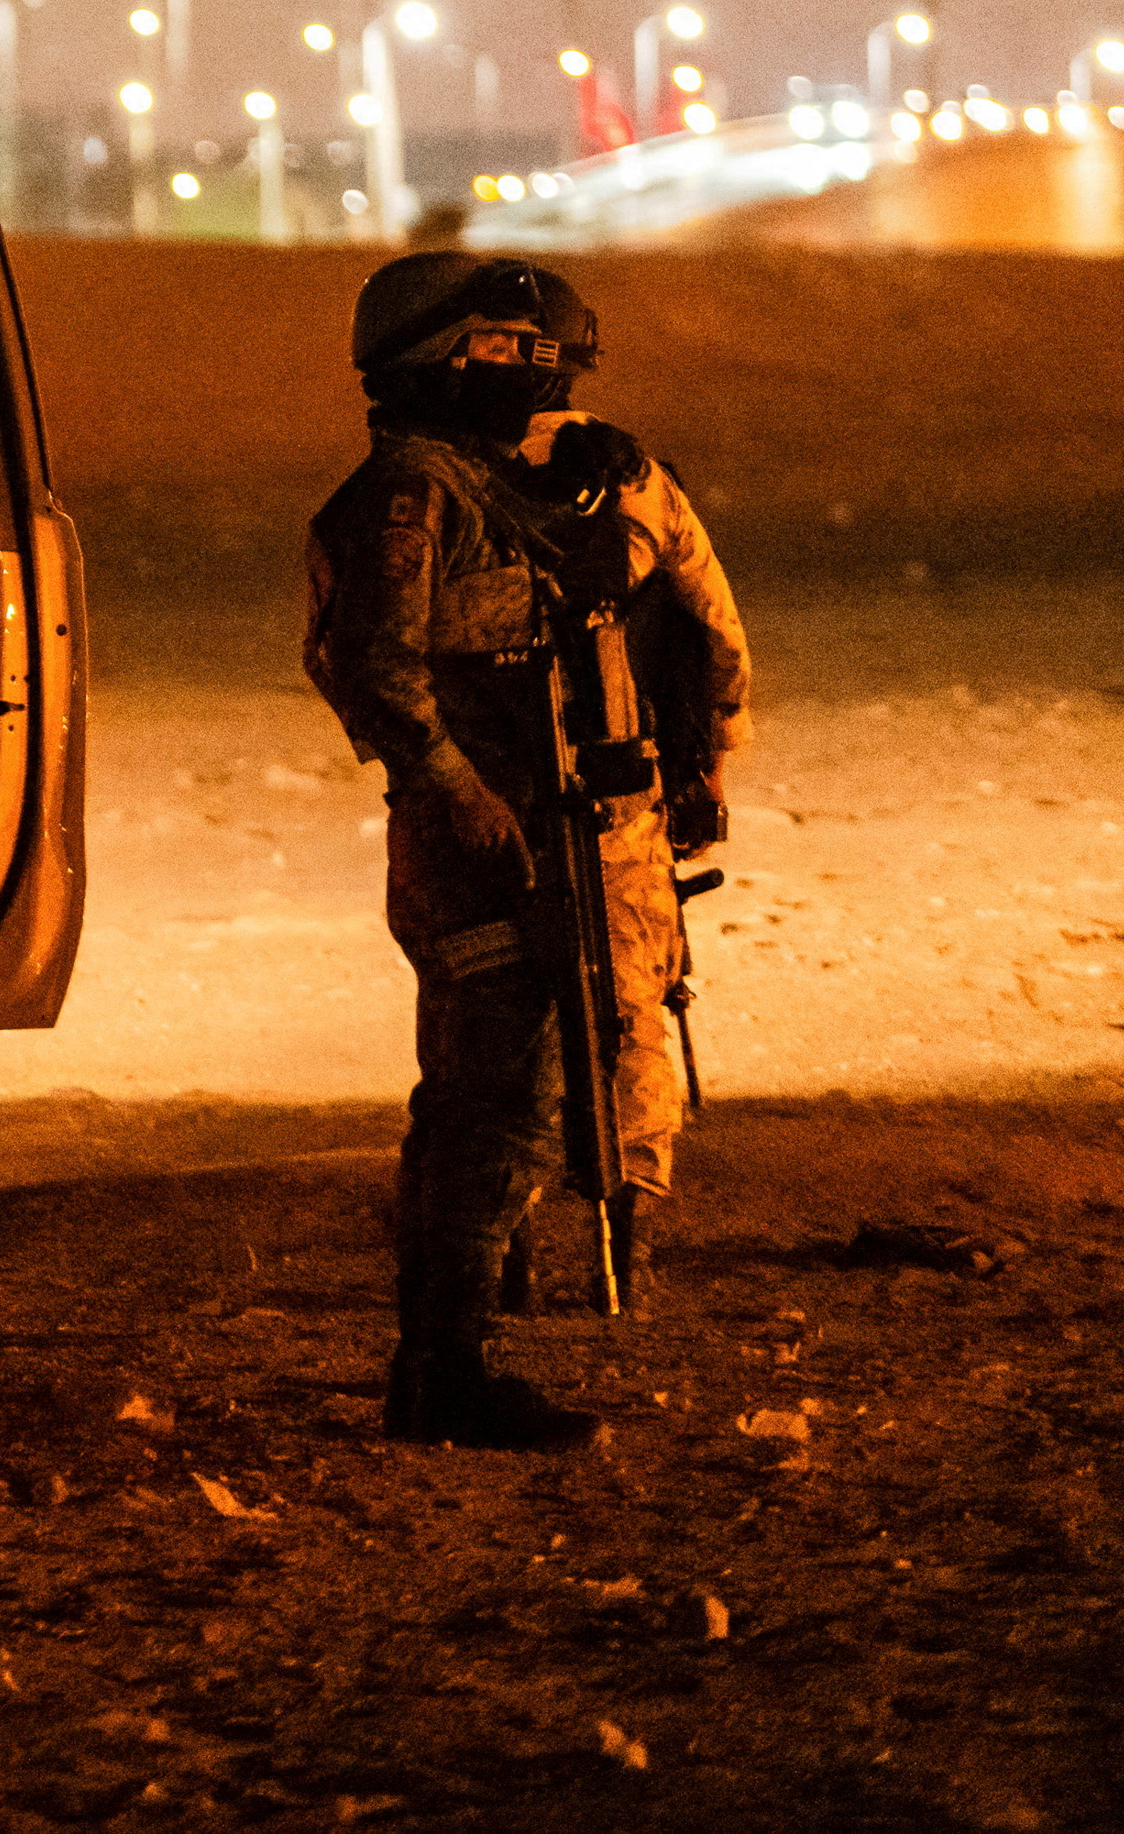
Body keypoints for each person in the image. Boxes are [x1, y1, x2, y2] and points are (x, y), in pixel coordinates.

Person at [303, 252, 751, 1448]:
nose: (544, 383)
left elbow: (610, 583)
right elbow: (373, 670)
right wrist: (458, 792)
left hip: (542, 827)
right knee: (491, 1096)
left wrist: (614, 464)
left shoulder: (499, 480)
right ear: (465, 356)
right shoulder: (411, 494)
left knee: (533, 1081)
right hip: (481, 840)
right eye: (522, 357)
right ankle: (443, 1371)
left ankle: (449, 1354)